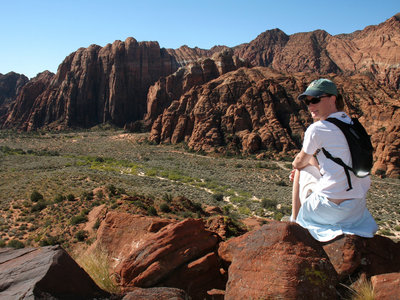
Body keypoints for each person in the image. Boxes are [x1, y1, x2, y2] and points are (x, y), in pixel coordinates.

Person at [289, 78, 378, 242]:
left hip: (328, 210)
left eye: (315, 100)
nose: (310, 106)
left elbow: (298, 162)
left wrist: (298, 166)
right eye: (307, 102)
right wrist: (312, 162)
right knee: (311, 163)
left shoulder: (317, 129)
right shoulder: (354, 125)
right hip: (357, 210)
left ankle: (295, 223)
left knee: (300, 170)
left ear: (333, 99)